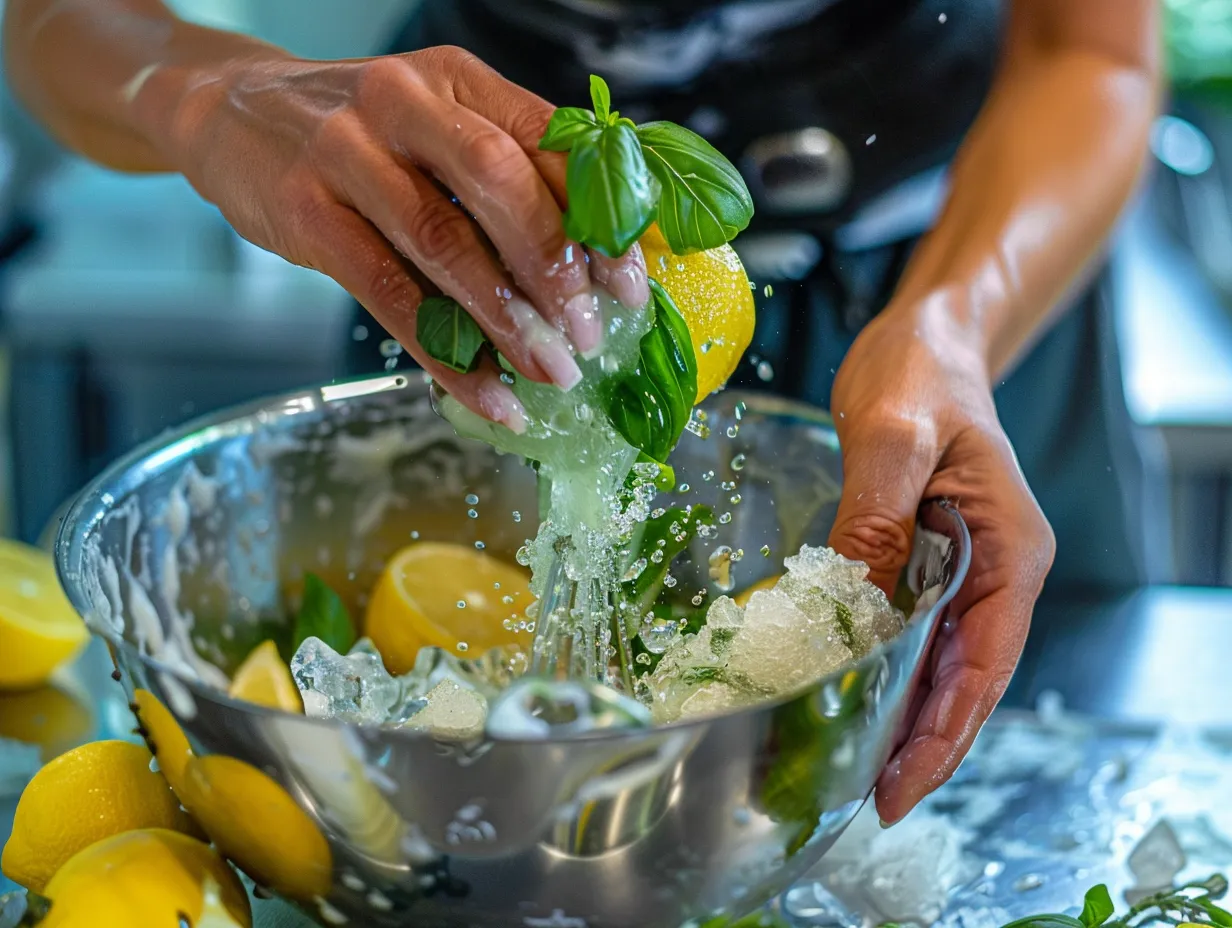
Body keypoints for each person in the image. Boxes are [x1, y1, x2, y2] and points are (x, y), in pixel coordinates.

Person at [2, 0, 1161, 824]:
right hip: (472, 281)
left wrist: (955, 327)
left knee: (1030, 794)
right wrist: (207, 93)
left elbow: (1092, 47)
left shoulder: (952, 314)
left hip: (956, 283)